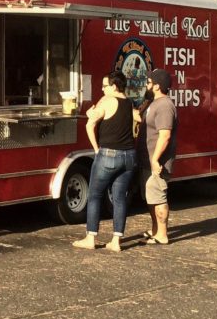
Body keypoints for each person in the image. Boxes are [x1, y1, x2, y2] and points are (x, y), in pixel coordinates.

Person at [72, 70, 138, 252]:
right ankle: (116, 242)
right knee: (119, 198)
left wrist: (96, 149)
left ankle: (91, 237)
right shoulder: (128, 102)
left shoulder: (107, 101)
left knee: (94, 196)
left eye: (105, 86)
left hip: (109, 154)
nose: (102, 89)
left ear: (114, 86)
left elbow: (89, 124)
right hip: (129, 156)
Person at [139, 68, 178, 245]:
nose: (146, 84)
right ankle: (155, 229)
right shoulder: (154, 103)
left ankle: (162, 234)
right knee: (151, 197)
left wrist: (155, 160)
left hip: (158, 162)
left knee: (159, 197)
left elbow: (165, 135)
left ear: (157, 86)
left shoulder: (165, 106)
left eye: (149, 81)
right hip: (147, 159)